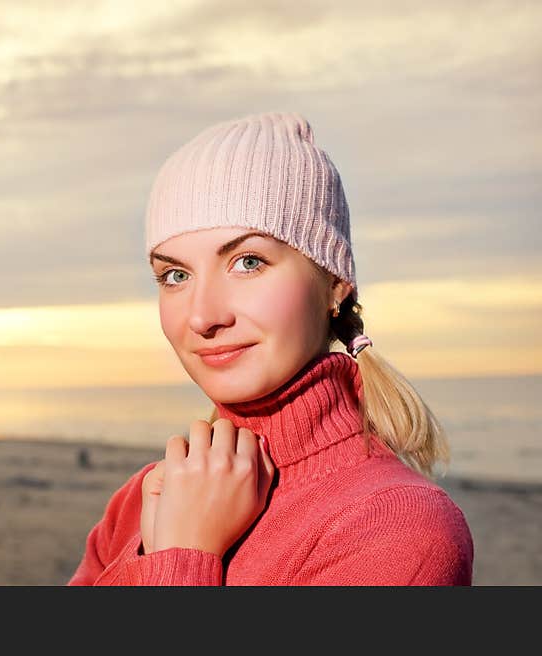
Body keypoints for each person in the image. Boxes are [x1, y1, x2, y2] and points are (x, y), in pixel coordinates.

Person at [67, 111, 474, 586]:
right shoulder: (143, 497)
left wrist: (183, 554)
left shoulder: (400, 529)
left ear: (336, 283)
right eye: (175, 275)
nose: (203, 316)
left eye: (248, 262)